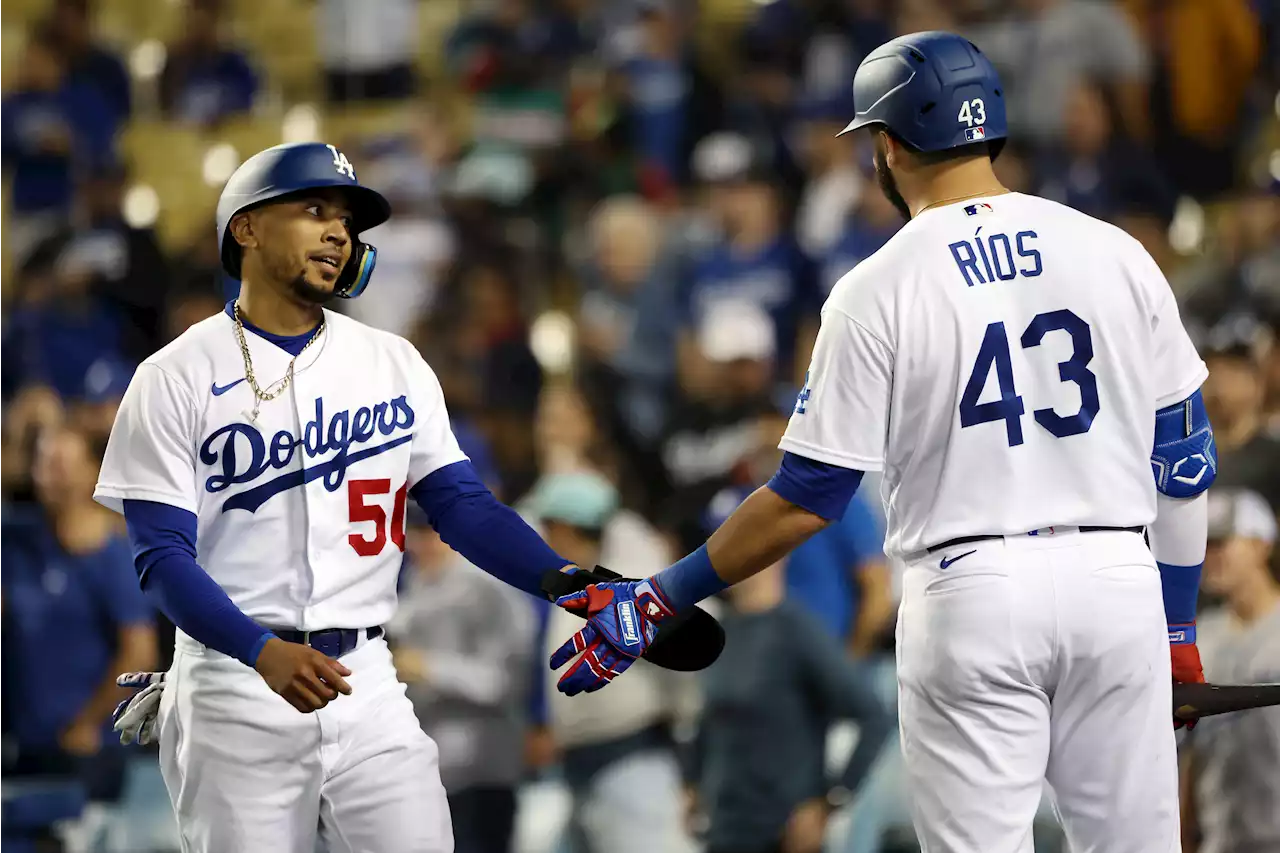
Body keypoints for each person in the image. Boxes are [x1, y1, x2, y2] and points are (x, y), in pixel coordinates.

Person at [547, 32, 1214, 853]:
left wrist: (662, 593)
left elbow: (806, 499)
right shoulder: (1117, 252)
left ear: (889, 145)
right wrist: (1178, 628)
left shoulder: (877, 284)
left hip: (973, 591)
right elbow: (1184, 460)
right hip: (1116, 582)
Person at [99, 142, 587, 853]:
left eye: (348, 221)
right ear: (247, 227)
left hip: (367, 677)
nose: (338, 231)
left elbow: (463, 506)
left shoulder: (391, 361)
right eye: (315, 208)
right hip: (237, 684)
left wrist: (573, 585)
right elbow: (159, 555)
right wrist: (259, 650)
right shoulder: (173, 375)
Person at [686, 489, 893, 853]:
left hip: (781, 834)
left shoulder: (797, 631)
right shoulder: (722, 630)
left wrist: (830, 802)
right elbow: (708, 720)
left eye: (733, 542)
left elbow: (873, 716)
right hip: (726, 830)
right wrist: (691, 783)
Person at [0, 424, 157, 849]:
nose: (56, 476)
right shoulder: (18, 542)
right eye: (45, 464)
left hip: (89, 753)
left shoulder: (113, 552)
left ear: (92, 472)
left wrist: (86, 725)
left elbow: (139, 650)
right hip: (26, 745)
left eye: (65, 464)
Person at [387, 505, 536, 853]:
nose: (423, 543)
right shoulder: (413, 586)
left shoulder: (489, 589)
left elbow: (504, 682)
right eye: (417, 533)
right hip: (426, 776)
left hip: (480, 774)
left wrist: (428, 667)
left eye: (432, 532)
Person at [1179, 488, 1280, 853]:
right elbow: (1189, 748)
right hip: (1221, 838)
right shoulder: (1201, 635)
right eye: (1206, 545)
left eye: (1222, 543)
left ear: (1260, 545)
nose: (1211, 557)